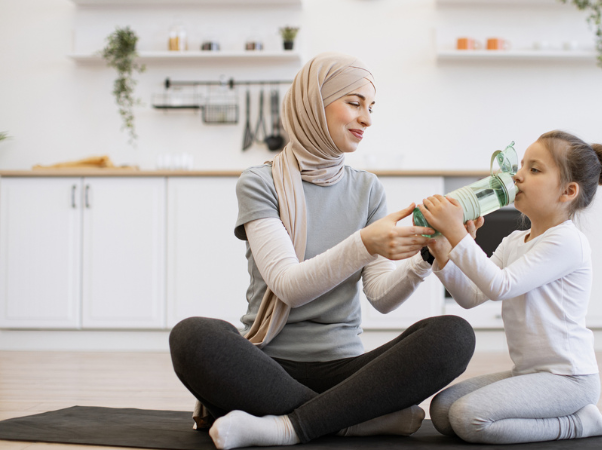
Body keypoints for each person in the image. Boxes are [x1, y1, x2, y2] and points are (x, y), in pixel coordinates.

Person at [168, 53, 475, 449]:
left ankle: (288, 425)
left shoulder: (367, 189)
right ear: (313, 105)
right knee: (193, 337)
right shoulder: (259, 183)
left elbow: (381, 297)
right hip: (266, 365)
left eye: (371, 107)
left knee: (453, 335)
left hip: (345, 371)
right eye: (354, 102)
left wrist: (426, 256)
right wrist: (365, 243)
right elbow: (288, 285)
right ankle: (350, 421)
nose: (367, 118)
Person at [417, 130, 602, 444]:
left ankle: (579, 423)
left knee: (468, 418)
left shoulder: (566, 241)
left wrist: (458, 235)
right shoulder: (515, 240)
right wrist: (443, 256)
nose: (518, 177)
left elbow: (501, 286)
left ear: (567, 191)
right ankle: (567, 417)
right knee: (443, 411)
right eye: (521, 166)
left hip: (569, 379)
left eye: (534, 170)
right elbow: (472, 296)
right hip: (530, 373)